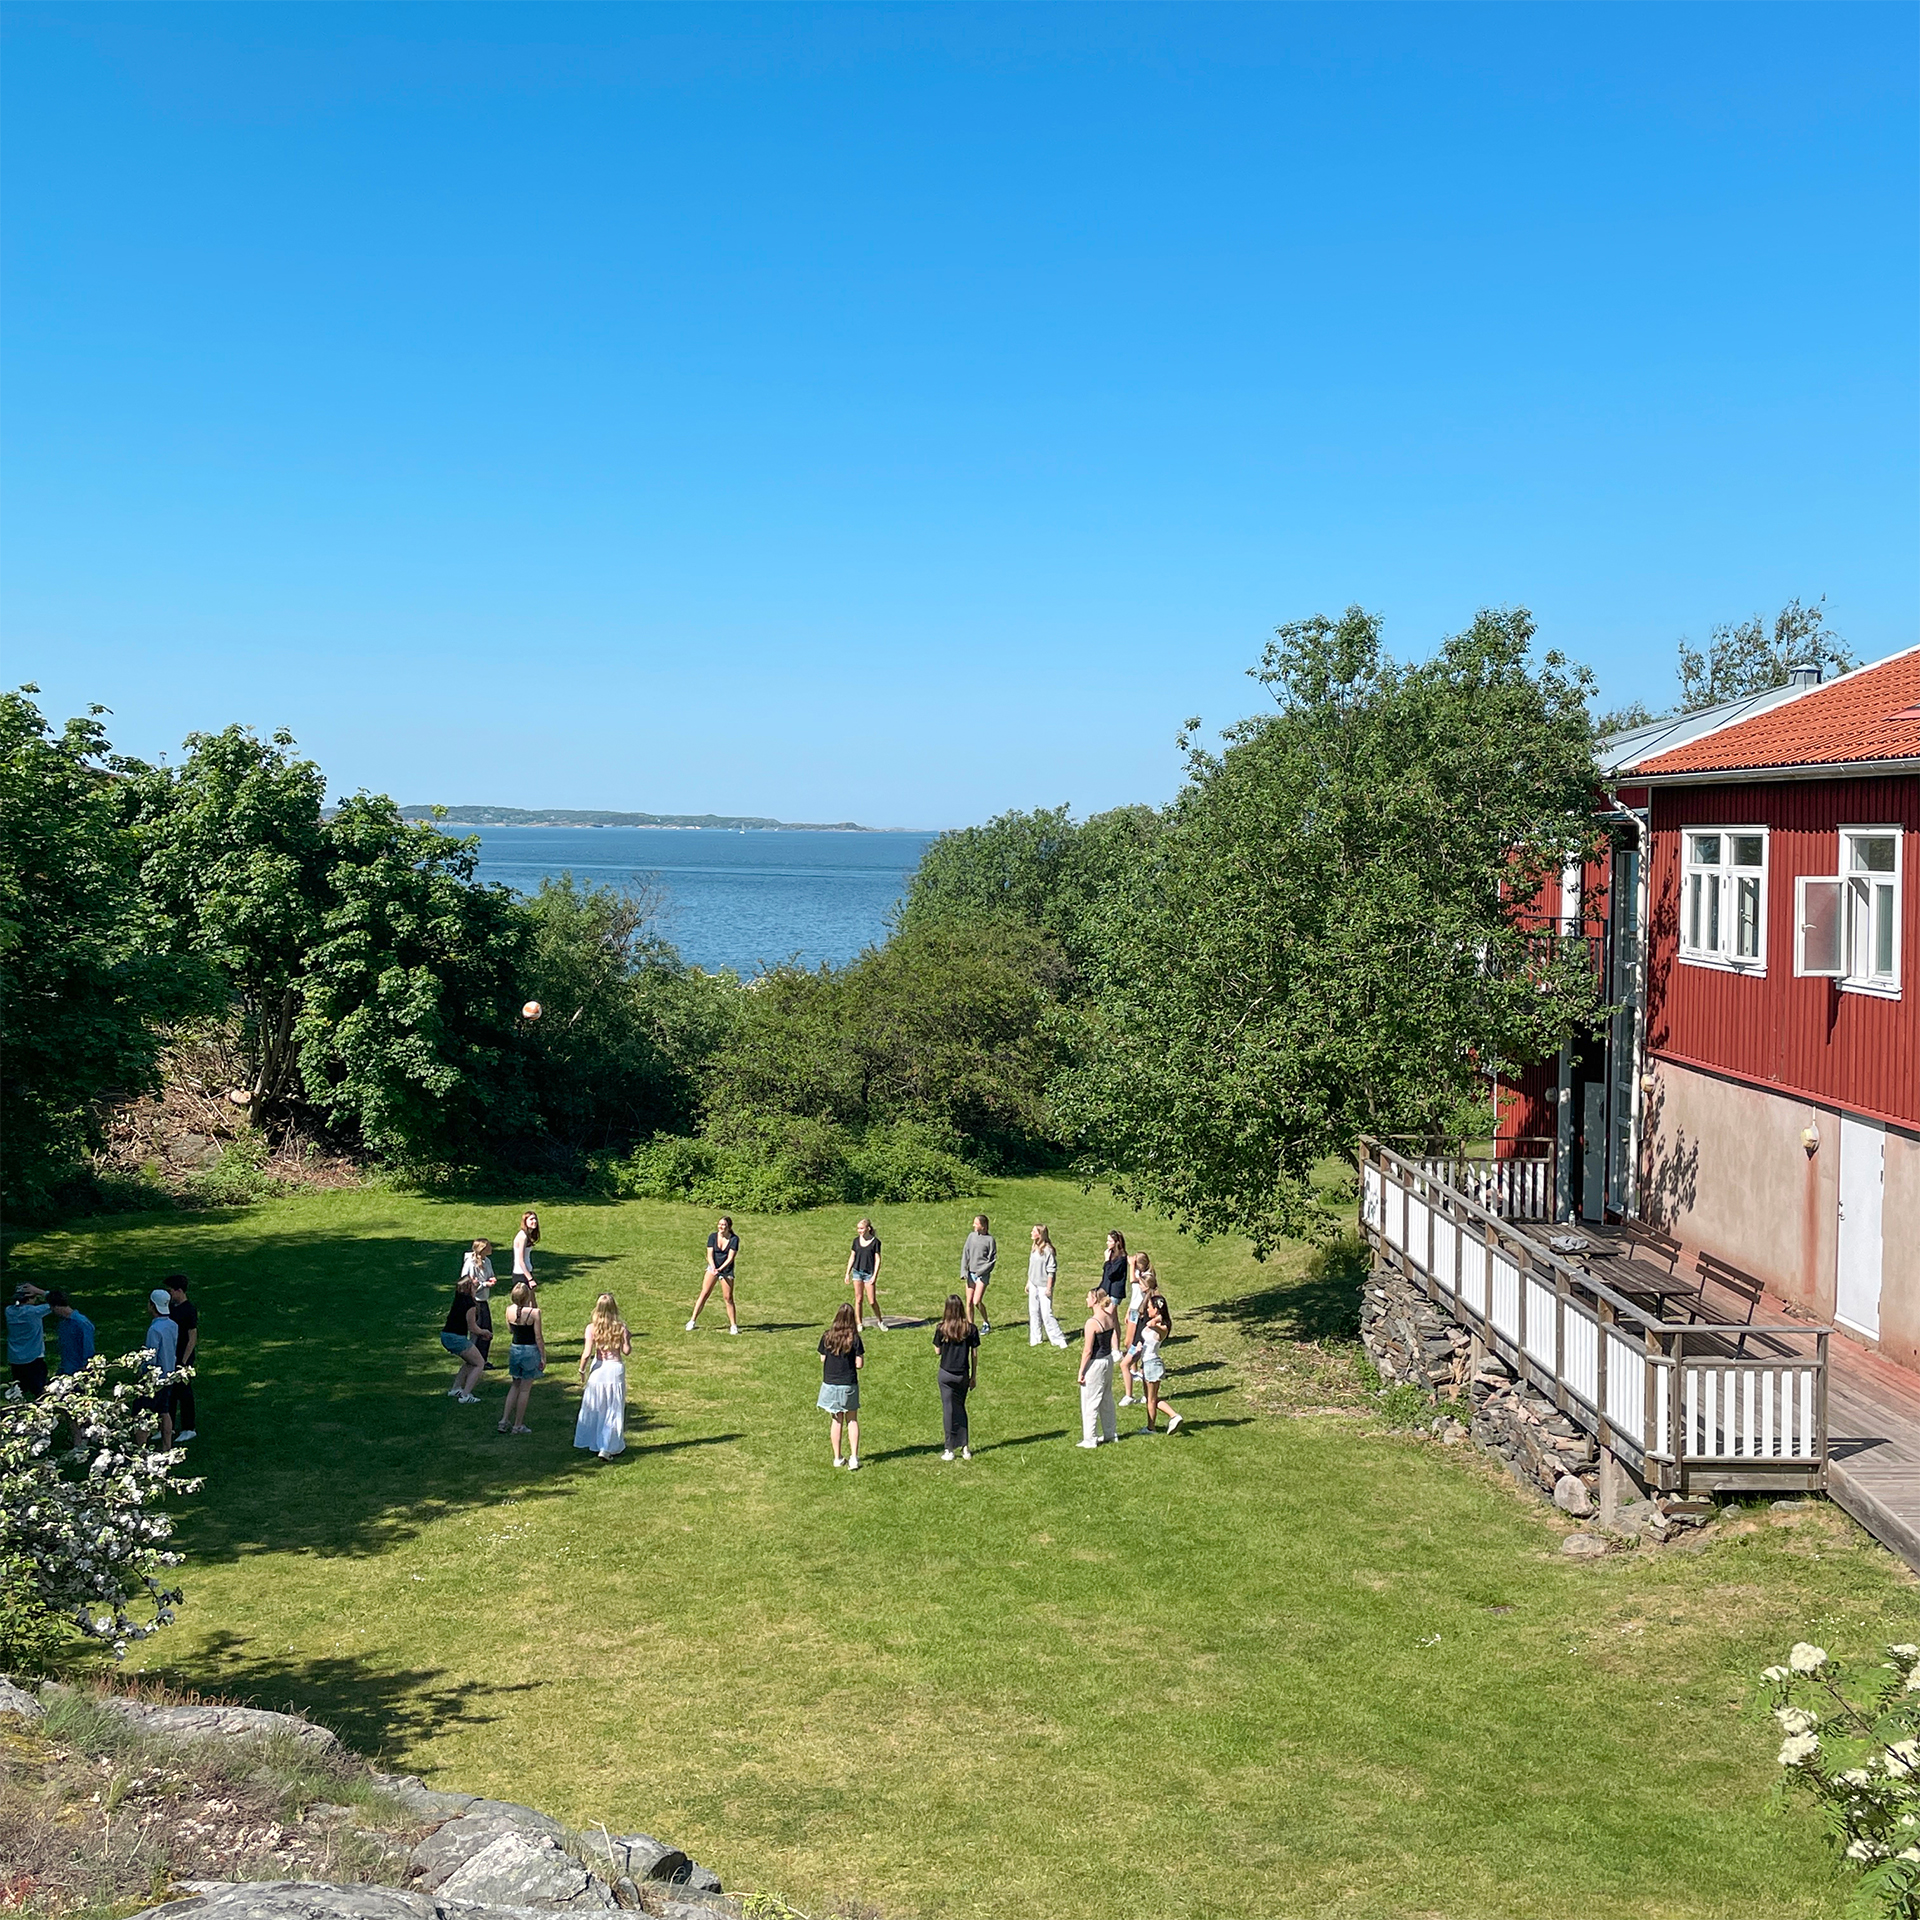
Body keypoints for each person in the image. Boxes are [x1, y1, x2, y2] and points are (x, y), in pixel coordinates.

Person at [574, 1293, 630, 1460]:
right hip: (615, 1369)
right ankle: (607, 1446)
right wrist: (627, 1339)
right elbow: (626, 1351)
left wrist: (582, 1370)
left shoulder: (591, 1328)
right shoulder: (620, 1327)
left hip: (599, 1369)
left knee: (596, 1406)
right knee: (613, 1408)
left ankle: (593, 1440)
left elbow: (586, 1353)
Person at [817, 1302, 865, 1470]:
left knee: (836, 1420)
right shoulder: (855, 1338)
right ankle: (854, 1458)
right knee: (852, 1419)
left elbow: (822, 1358)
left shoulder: (827, 1336)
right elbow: (859, 1364)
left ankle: (837, 1457)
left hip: (830, 1383)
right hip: (848, 1383)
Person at [933, 1292, 980, 1460]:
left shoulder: (941, 1328)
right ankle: (965, 1447)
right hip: (962, 1374)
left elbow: (937, 1351)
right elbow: (974, 1354)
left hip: (946, 1373)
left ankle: (949, 1449)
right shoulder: (970, 1329)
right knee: (960, 1408)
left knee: (948, 1410)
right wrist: (973, 1376)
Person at [1136, 1276, 1182, 1435]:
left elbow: (1154, 1326)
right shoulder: (1156, 1324)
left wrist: (1157, 1319)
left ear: (1156, 1309)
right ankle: (1155, 1424)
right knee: (1150, 1398)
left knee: (1151, 1399)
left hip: (1152, 1364)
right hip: (1147, 1362)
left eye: (1150, 1307)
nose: (1147, 1310)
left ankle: (1163, 1421)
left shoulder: (1162, 1327)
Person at [498, 1280, 545, 1434]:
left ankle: (504, 1420)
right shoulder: (534, 1313)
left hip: (515, 1349)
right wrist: (543, 1356)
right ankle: (518, 1425)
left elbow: (511, 1330)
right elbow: (538, 1337)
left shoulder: (508, 1310)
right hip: (530, 1350)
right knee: (525, 1390)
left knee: (515, 1385)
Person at [1076, 1288, 1119, 1449]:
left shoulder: (1092, 1323)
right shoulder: (1109, 1316)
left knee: (1090, 1401)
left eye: (1088, 1297)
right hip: (1108, 1360)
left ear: (1094, 1300)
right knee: (1106, 1398)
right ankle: (1110, 1433)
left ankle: (1090, 1438)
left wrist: (1081, 1371)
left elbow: (1087, 1350)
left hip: (1096, 1363)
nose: (1086, 1299)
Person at [687, 1215, 740, 1334]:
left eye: (724, 1225)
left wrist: (720, 1269)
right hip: (713, 1267)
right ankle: (692, 1321)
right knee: (704, 1293)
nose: (721, 1227)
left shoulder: (734, 1239)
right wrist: (714, 1268)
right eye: (719, 1224)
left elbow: (730, 1258)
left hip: (726, 1270)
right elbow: (709, 1255)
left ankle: (733, 1326)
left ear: (729, 1227)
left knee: (728, 1297)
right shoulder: (712, 1237)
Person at [143, 1287, 179, 1450]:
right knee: (165, 1411)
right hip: (169, 1373)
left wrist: (144, 1372)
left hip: (155, 1377)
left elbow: (151, 1355)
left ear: (152, 1305)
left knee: (143, 1412)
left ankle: (141, 1449)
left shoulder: (154, 1329)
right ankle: (167, 1447)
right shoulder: (173, 1325)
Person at [441, 1273, 485, 1402]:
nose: (476, 1281)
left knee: (470, 1361)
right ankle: (466, 1395)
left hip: (446, 1335)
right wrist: (484, 1332)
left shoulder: (459, 1299)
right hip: (456, 1338)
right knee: (479, 1363)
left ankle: (455, 1389)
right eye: (473, 1281)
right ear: (469, 1287)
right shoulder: (470, 1305)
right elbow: (472, 1328)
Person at [165, 1275, 200, 1439]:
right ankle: (169, 1426)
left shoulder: (189, 1310)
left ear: (179, 1290)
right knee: (170, 1392)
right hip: (172, 1355)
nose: (169, 1294)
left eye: (170, 1291)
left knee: (184, 1392)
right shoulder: (172, 1308)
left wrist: (184, 1361)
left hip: (182, 1357)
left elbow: (192, 1337)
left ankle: (189, 1427)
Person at [5, 1281, 52, 1400]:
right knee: (40, 1392)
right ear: (30, 1298)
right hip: (33, 1357)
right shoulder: (34, 1312)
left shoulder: (9, 1311)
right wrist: (42, 1292)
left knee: (19, 1391)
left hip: (15, 1358)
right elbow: (58, 1301)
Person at [1118, 1251, 1152, 1407]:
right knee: (1128, 1343)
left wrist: (1131, 1266)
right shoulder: (1141, 1276)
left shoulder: (1146, 1277)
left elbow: (1133, 1281)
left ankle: (1135, 1384)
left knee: (1132, 1346)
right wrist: (1128, 1310)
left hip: (1139, 1317)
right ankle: (1133, 1371)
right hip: (1134, 1310)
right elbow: (1134, 1294)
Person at [1026, 1225, 1067, 1348]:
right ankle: (1035, 1339)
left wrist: (1049, 1287)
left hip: (1044, 1285)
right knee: (1033, 1311)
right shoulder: (1034, 1248)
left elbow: (1051, 1270)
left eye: (1034, 1231)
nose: (1031, 1233)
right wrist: (1029, 1282)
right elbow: (1032, 1267)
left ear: (1040, 1234)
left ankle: (1058, 1339)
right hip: (1034, 1284)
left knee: (1046, 1314)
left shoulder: (1048, 1250)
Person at [462, 1240, 497, 1370]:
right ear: (482, 1249)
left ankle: (483, 1360)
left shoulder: (487, 1261)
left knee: (487, 1330)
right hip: (474, 1300)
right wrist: (484, 1284)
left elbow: (490, 1275)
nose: (491, 1248)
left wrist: (491, 1280)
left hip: (483, 1300)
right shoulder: (470, 1264)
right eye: (488, 1247)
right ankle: (473, 1360)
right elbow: (465, 1282)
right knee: (476, 1331)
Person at [845, 1219, 884, 1330]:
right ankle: (859, 1324)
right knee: (858, 1299)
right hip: (857, 1272)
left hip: (868, 1273)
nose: (859, 1231)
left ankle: (880, 1321)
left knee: (872, 1301)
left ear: (868, 1229)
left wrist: (874, 1275)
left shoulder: (875, 1242)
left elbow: (877, 1259)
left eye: (861, 1228)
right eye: (858, 1228)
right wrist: (847, 1273)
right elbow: (852, 1257)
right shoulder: (856, 1241)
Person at [961, 1214, 996, 1334]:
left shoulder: (990, 1240)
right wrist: (964, 1271)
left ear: (983, 1226)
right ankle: (971, 1327)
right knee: (969, 1302)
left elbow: (992, 1260)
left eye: (976, 1223)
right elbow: (966, 1253)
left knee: (976, 1301)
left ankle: (986, 1322)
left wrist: (981, 1271)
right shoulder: (971, 1236)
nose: (973, 1225)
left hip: (982, 1275)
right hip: (970, 1273)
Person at [48, 1291, 95, 1375]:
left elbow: (88, 1347)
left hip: (79, 1369)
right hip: (66, 1367)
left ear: (56, 1307)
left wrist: (86, 1367)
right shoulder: (63, 1323)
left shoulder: (82, 1323)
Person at [512, 1213, 540, 1291]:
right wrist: (530, 1279)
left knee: (531, 1298)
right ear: (525, 1221)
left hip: (527, 1271)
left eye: (535, 1219)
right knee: (524, 1299)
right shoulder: (522, 1236)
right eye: (531, 1219)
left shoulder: (527, 1235)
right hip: (521, 1274)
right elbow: (521, 1260)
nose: (534, 1221)